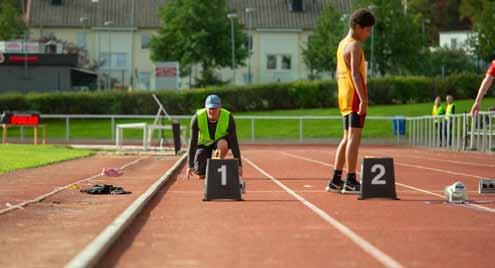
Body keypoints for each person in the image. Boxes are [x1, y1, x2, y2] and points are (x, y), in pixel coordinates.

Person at [326, 8, 375, 194]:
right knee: (354, 137)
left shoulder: (342, 44)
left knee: (346, 137)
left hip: (344, 95)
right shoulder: (354, 46)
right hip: (354, 96)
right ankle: (351, 180)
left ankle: (336, 180)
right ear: (357, 27)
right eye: (367, 30)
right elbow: (355, 73)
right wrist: (363, 99)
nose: (368, 34)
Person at [186, 95, 243, 181]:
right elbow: (193, 141)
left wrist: (239, 165)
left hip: (219, 141)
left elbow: (233, 141)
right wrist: (190, 165)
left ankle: (216, 167)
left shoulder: (228, 117)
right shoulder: (197, 118)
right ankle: (204, 170)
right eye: (210, 109)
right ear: (205, 108)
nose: (212, 111)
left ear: (220, 107)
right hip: (204, 143)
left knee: (223, 145)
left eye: (215, 108)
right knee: (201, 173)